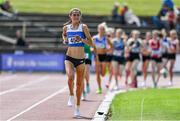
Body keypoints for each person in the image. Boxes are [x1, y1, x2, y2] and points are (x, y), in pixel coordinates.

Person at [62, 8, 97, 117]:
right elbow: (63, 35)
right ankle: (71, 95)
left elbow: (91, 43)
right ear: (70, 16)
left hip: (81, 59)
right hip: (69, 58)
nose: (76, 17)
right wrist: (65, 40)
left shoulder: (84, 27)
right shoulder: (66, 28)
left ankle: (77, 108)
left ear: (80, 17)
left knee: (78, 84)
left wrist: (81, 39)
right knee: (70, 76)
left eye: (78, 15)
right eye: (74, 15)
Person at [93, 24, 112, 94]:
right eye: (100, 29)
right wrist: (92, 49)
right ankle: (99, 88)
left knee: (103, 74)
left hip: (104, 56)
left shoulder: (106, 38)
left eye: (103, 29)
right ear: (98, 30)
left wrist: (107, 50)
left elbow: (112, 46)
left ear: (104, 30)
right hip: (97, 56)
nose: (101, 30)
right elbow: (91, 47)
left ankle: (105, 70)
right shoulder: (95, 38)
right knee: (97, 73)